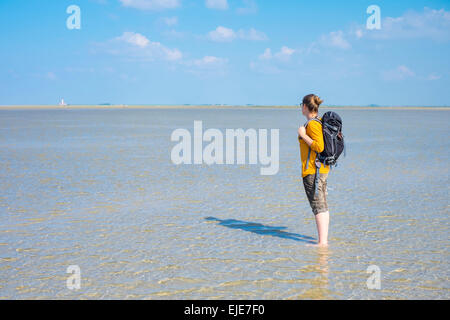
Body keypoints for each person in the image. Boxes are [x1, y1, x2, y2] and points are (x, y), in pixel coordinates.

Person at [298, 94, 330, 246]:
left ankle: (322, 243)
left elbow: (319, 146)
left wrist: (303, 135)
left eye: (301, 105)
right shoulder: (317, 122)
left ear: (305, 106)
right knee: (321, 204)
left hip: (313, 171)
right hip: (319, 169)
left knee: (318, 205)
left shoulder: (312, 125)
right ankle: (323, 240)